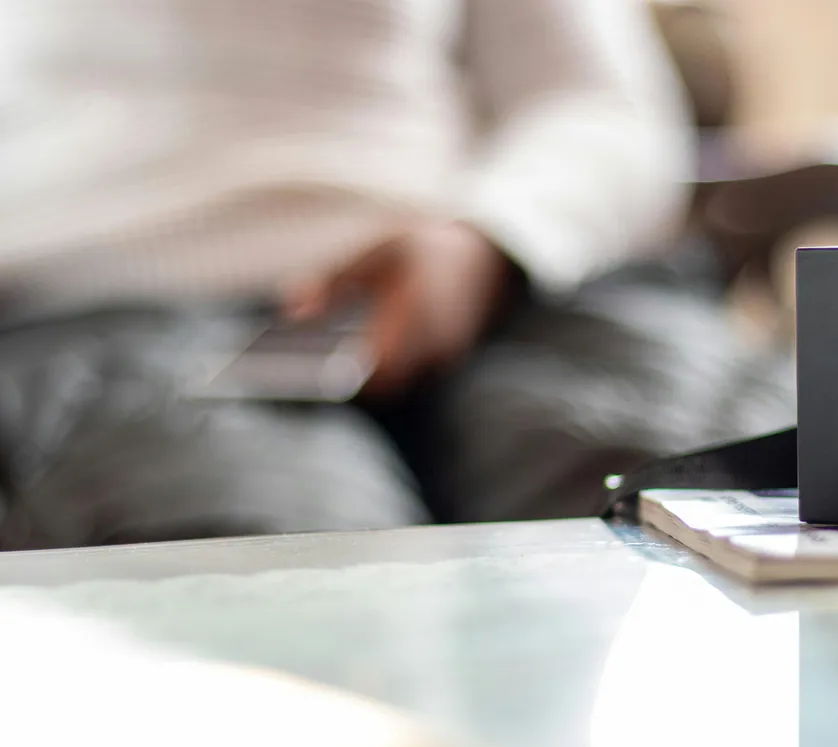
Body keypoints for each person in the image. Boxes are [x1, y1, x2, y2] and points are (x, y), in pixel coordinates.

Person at [0, 0, 757, 548]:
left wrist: (486, 241)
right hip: (106, 307)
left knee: (714, 517)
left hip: (504, 278)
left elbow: (604, 108)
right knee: (282, 570)